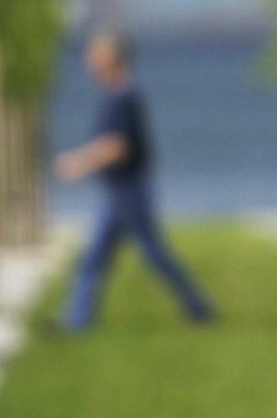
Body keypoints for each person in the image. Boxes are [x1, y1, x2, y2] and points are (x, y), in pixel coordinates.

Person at [54, 30, 214, 330]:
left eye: (94, 54)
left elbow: (117, 146)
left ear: (111, 58)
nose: (88, 61)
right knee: (97, 257)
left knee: (148, 254)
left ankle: (198, 306)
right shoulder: (121, 95)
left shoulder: (122, 97)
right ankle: (78, 319)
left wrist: (78, 162)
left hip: (127, 190)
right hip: (122, 188)